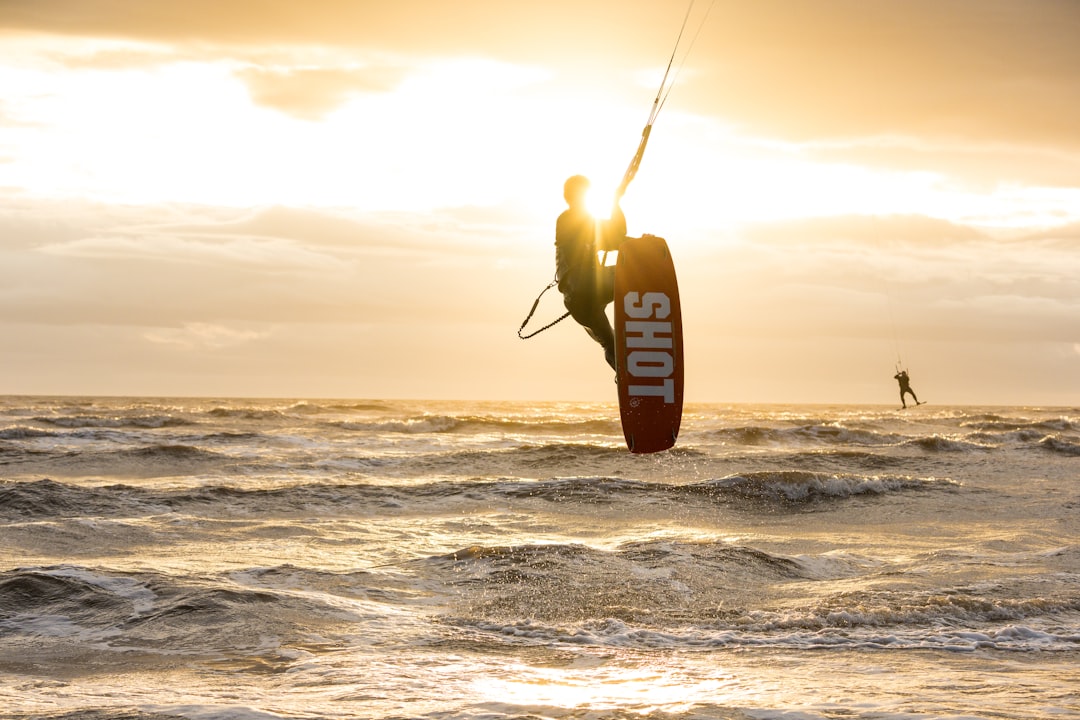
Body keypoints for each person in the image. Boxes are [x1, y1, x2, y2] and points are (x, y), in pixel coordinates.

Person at [555, 175, 627, 371]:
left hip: (579, 306)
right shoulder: (568, 220)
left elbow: (616, 237)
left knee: (610, 342)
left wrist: (616, 203)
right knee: (630, 271)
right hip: (585, 287)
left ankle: (625, 376)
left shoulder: (584, 222)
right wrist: (615, 202)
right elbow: (617, 235)